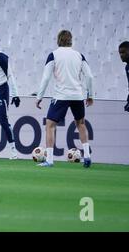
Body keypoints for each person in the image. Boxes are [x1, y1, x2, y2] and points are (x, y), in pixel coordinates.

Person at [36, 30, 94, 168]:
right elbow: (89, 76)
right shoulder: (79, 55)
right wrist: (90, 94)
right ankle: (87, 156)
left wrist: (39, 96)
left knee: (50, 125)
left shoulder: (54, 55)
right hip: (77, 95)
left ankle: (49, 160)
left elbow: (46, 77)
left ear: (58, 40)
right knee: (81, 124)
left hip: (61, 96)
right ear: (71, 40)